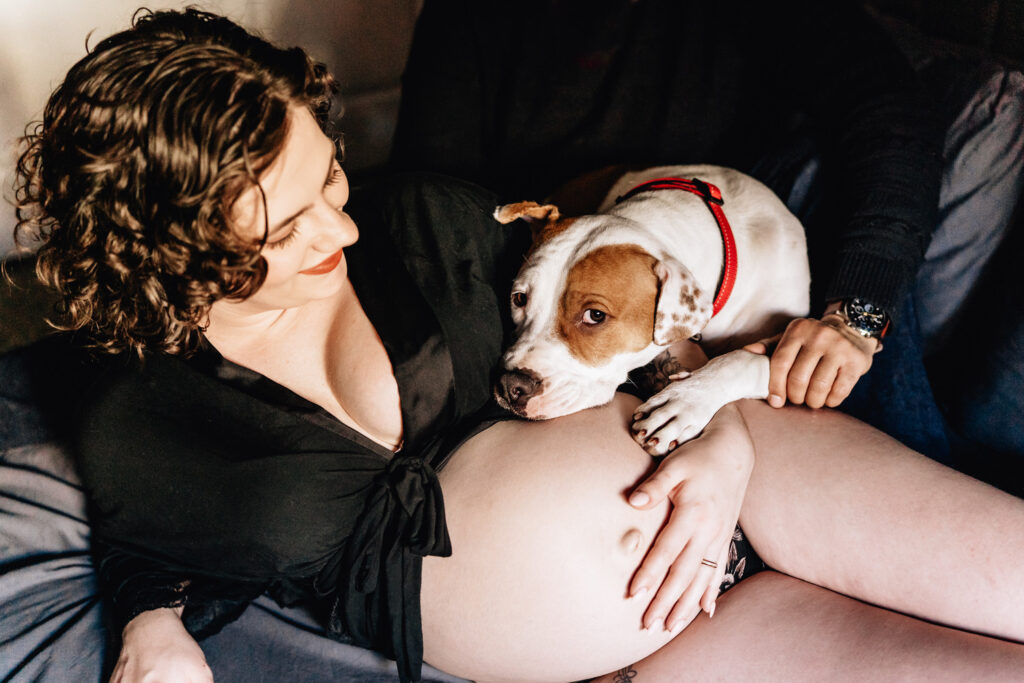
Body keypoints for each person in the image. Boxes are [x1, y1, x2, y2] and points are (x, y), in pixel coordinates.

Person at [11, 8, 1024, 683]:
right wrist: (151, 623)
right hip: (662, 649)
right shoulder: (138, 409)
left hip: (759, 473)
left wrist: (726, 442)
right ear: (173, 254)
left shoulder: (424, 222)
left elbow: (637, 318)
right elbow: (146, 536)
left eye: (330, 179)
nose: (342, 228)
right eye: (287, 231)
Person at [390, 0, 1024, 472]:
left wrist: (856, 314)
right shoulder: (472, 19)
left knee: (854, 180)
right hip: (570, 236)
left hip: (747, 212)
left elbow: (889, 114)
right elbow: (433, 201)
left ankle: (917, 481)